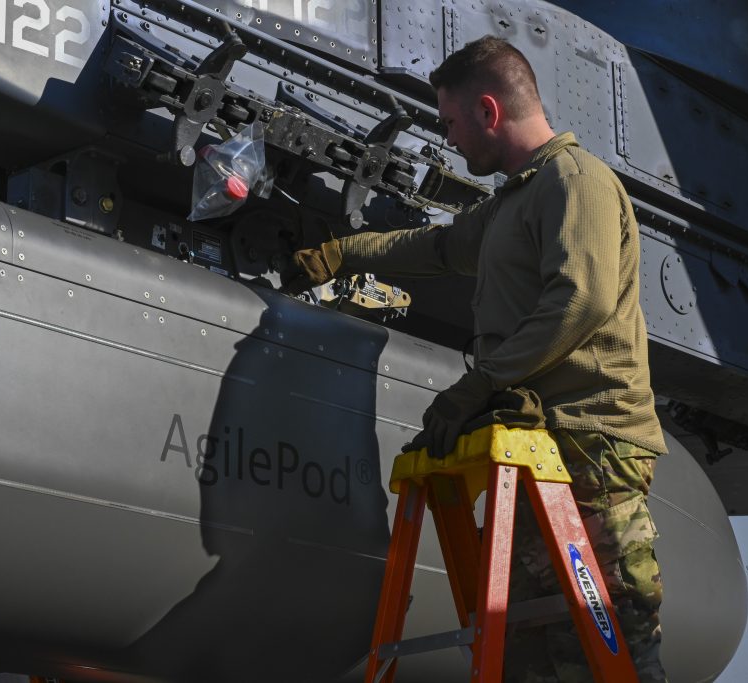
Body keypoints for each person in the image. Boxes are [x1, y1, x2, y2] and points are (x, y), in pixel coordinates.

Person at [280, 36, 667, 683]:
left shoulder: (577, 183)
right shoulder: (512, 204)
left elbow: (581, 300)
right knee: (531, 660)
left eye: (452, 122)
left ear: (489, 111)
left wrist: (477, 385)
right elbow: (437, 247)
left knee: (616, 649)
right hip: (538, 453)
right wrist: (347, 251)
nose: (449, 138)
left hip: (590, 451)